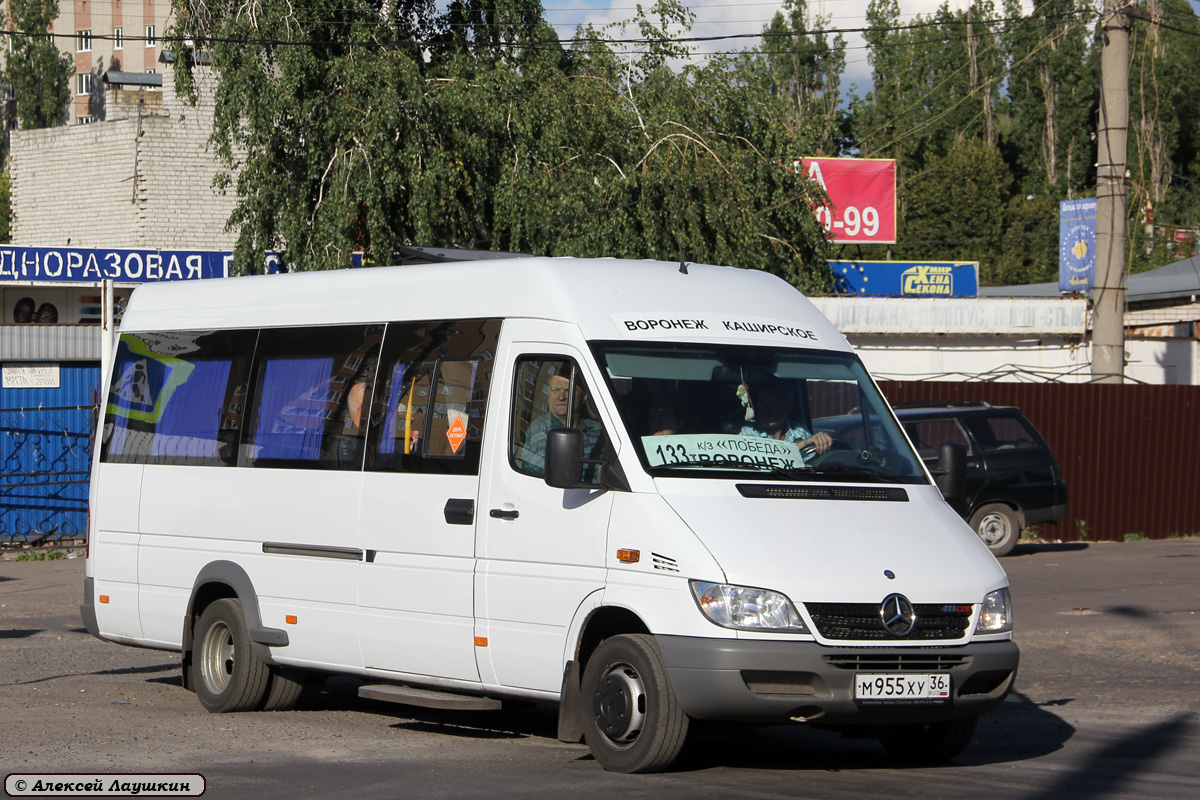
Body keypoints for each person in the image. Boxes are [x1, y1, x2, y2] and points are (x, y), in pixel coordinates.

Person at [524, 371, 604, 475]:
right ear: (549, 394)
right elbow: (554, 472)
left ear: (584, 397)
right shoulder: (541, 427)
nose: (561, 397)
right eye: (555, 390)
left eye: (569, 391)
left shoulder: (599, 430)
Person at [739, 380, 832, 456]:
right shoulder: (748, 431)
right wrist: (804, 444)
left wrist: (823, 441)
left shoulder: (800, 431)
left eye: (773, 404)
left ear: (788, 406)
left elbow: (813, 462)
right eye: (762, 403)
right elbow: (767, 459)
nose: (766, 409)